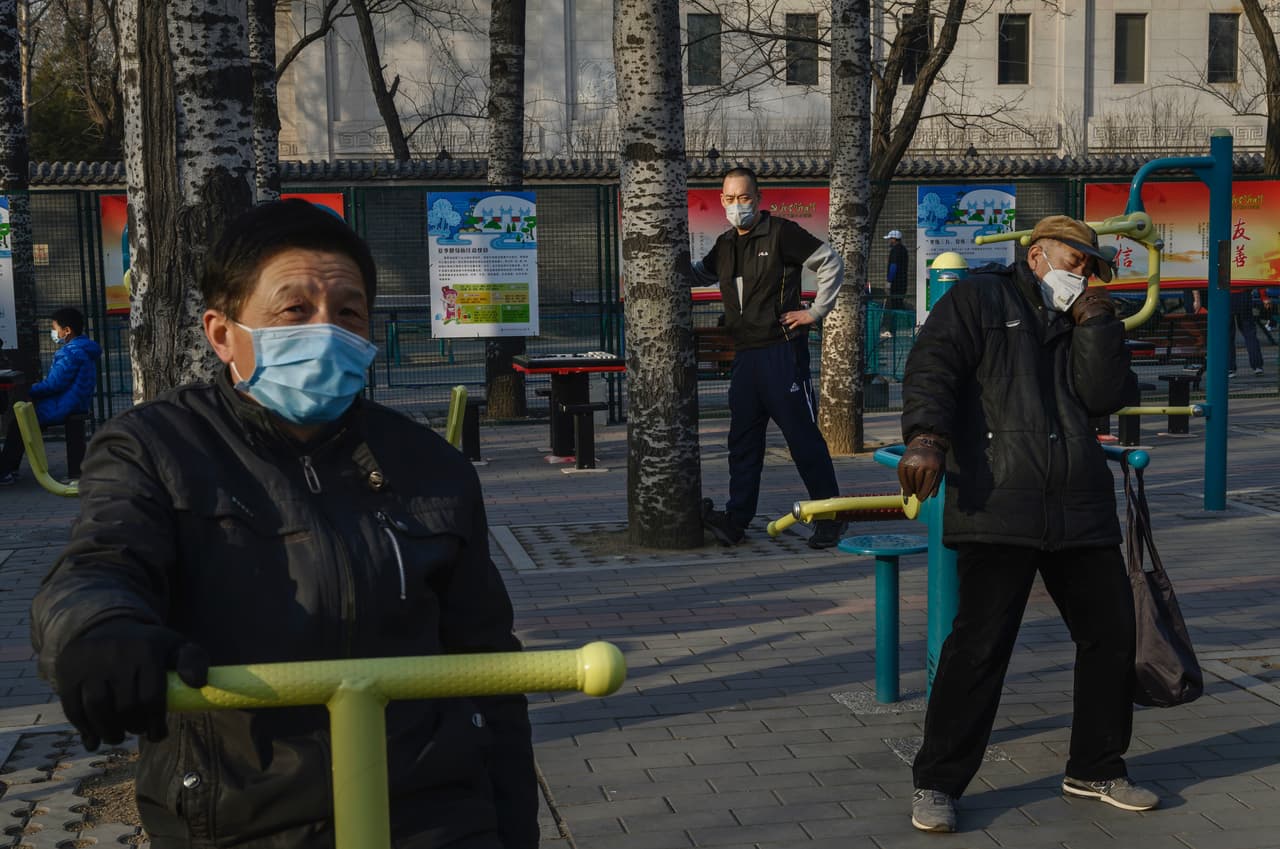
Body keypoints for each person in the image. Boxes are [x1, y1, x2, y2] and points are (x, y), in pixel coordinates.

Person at [31, 200, 537, 849]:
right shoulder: (156, 449)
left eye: (348, 312)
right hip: (240, 818)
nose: (327, 329)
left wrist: (513, 828)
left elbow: (491, 671)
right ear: (222, 332)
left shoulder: (431, 465)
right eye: (295, 310)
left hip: (429, 817)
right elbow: (99, 562)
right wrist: (99, 629)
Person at [897, 215, 1158, 834]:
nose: (1085, 274)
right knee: (980, 647)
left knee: (1112, 634)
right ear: (1037, 256)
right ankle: (937, 781)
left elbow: (1105, 397)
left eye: (1093, 267)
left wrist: (1096, 325)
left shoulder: (1088, 318)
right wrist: (927, 437)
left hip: (1077, 500)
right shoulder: (980, 298)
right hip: (999, 497)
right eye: (1076, 261)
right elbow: (932, 367)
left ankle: (1096, 765)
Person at [693, 167, 848, 550]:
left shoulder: (781, 233)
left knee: (802, 439)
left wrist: (814, 312)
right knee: (742, 443)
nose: (736, 205)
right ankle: (736, 519)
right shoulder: (725, 244)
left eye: (743, 197)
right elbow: (699, 274)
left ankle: (830, 517)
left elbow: (830, 263)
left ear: (758, 199)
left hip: (782, 353)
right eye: (728, 199)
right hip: (745, 358)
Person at [0, 306, 101, 485]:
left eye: (55, 328)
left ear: (67, 331)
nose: (53, 332)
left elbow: (54, 384)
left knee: (20, 423)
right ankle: (10, 469)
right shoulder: (83, 349)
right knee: (25, 422)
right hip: (75, 401)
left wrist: (30, 390)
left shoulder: (70, 352)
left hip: (65, 404)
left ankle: (6, 471)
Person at [1227, 287, 1265, 377]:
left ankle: (1230, 368)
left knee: (1228, 335)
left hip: (1226, 293)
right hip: (1244, 293)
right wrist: (1264, 296)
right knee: (1250, 333)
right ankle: (1257, 365)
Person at [880, 229, 910, 338]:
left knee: (894, 306)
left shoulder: (895, 251)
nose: (889, 241)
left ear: (894, 239)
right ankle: (903, 328)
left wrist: (889, 281)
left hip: (896, 283)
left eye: (890, 239)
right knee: (899, 304)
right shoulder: (904, 250)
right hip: (903, 282)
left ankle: (893, 330)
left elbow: (893, 267)